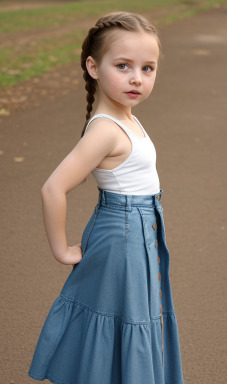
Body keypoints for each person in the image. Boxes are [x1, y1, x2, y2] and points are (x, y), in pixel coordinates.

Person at [28, 11, 184, 384]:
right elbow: (53, 188)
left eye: (148, 68)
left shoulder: (126, 116)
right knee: (127, 318)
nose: (137, 78)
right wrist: (62, 250)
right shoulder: (105, 130)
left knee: (130, 315)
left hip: (139, 233)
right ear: (93, 67)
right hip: (123, 237)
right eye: (123, 66)